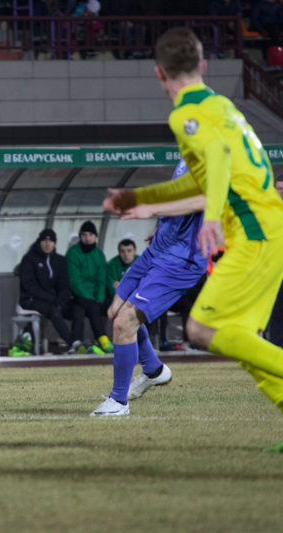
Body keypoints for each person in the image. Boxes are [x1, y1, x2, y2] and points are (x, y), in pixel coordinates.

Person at [103, 28, 283, 452]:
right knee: (241, 340)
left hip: (254, 233)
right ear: (203, 66)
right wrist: (141, 200)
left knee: (201, 329)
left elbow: (217, 162)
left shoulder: (185, 113)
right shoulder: (221, 106)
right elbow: (202, 178)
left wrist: (212, 216)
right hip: (269, 231)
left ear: (158, 73)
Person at [93, 159, 208, 417]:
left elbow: (204, 200)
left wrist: (150, 207)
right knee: (115, 311)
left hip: (181, 261)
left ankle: (118, 402)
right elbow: (179, 196)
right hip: (159, 249)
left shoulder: (213, 156)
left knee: (124, 322)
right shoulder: (186, 156)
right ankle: (153, 369)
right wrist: (163, 226)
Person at [16, 228, 81, 355]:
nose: (47, 244)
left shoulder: (60, 260)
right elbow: (30, 286)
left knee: (78, 309)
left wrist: (62, 298)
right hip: (32, 300)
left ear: (55, 243)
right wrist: (53, 299)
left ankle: (78, 340)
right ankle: (73, 343)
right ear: (39, 242)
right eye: (44, 241)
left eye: (51, 241)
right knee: (54, 311)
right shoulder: (29, 259)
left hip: (54, 300)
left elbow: (64, 283)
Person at [66, 220, 113, 353]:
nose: (87, 238)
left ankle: (78, 343)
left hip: (94, 297)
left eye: (91, 235)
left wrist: (99, 298)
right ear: (80, 237)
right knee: (80, 308)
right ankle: (102, 340)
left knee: (90, 308)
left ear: (95, 237)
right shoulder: (73, 253)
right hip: (76, 295)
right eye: (84, 235)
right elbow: (74, 281)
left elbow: (101, 280)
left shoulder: (99, 255)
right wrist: (91, 300)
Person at [268, 177, 283, 347]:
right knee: (276, 313)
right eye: (280, 188)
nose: (282, 192)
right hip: (274, 271)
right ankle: (277, 350)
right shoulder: (268, 211)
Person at [105, 238, 138, 304]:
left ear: (135, 251)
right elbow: (111, 289)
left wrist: (122, 286)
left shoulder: (143, 263)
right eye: (122, 251)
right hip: (117, 300)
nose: (126, 254)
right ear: (119, 252)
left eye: (129, 251)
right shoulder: (112, 264)